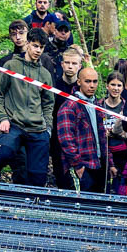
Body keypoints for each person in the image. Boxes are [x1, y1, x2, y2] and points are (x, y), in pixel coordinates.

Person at [0, 28, 54, 186]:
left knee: (38, 174)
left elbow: (48, 103)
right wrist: (3, 117)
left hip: (38, 128)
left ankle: (34, 201)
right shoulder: (11, 65)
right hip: (14, 124)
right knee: (4, 154)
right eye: (35, 46)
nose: (38, 50)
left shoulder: (45, 74)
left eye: (41, 47)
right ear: (27, 44)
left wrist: (48, 127)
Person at [57, 65, 110, 193]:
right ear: (79, 82)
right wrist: (77, 165)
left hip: (98, 164)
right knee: (80, 202)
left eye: (95, 81)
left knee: (97, 201)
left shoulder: (97, 105)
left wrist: (109, 163)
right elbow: (66, 139)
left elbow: (103, 137)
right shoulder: (70, 105)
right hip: (80, 166)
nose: (92, 85)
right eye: (87, 81)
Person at [49, 46, 84, 186]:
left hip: (80, 140)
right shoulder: (53, 86)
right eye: (67, 63)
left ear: (79, 66)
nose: (70, 66)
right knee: (61, 178)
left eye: (74, 63)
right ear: (62, 64)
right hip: (57, 139)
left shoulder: (84, 88)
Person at [102, 72, 127, 194]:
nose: (116, 88)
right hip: (104, 152)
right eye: (113, 85)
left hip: (122, 153)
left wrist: (114, 133)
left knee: (121, 188)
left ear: (123, 87)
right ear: (107, 86)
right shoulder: (100, 105)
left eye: (119, 85)